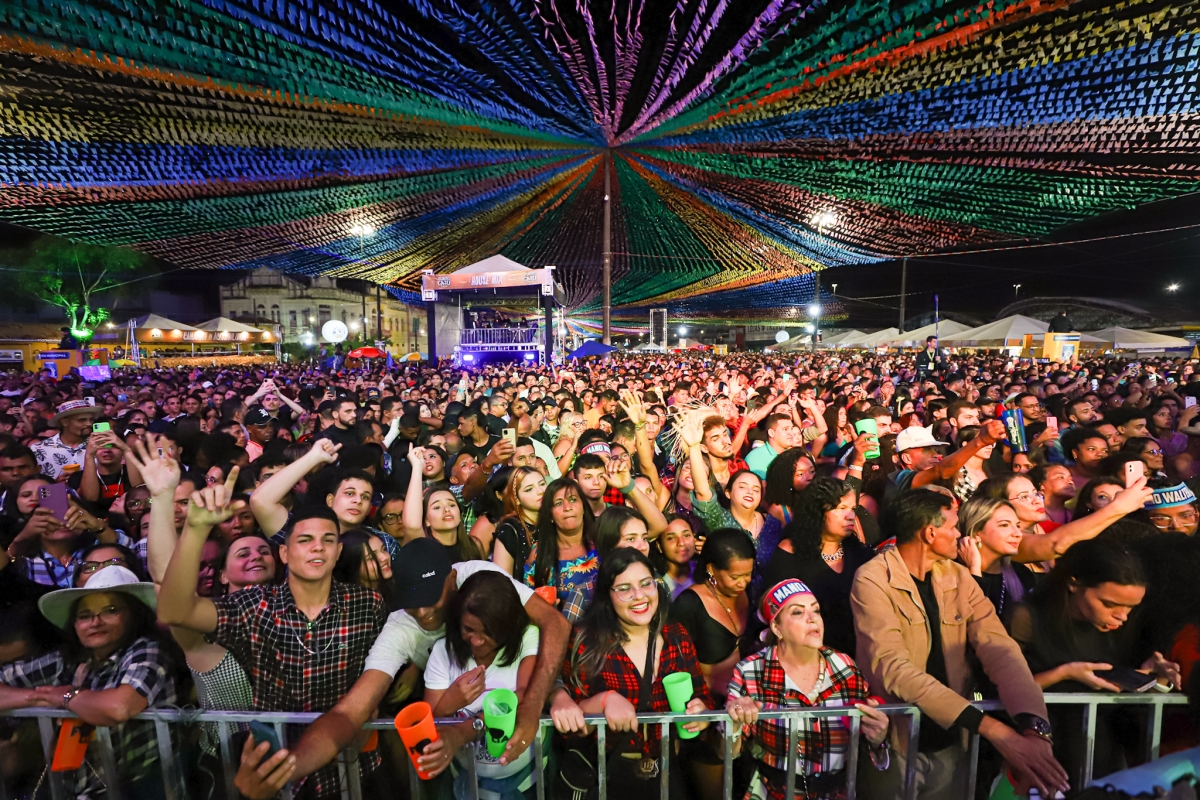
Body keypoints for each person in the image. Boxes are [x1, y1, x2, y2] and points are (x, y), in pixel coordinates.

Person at [234, 539, 570, 798]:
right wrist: (286, 768)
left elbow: (554, 624)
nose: (424, 613)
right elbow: (350, 713)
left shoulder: (481, 580)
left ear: (453, 579)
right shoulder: (400, 629)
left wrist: (532, 705)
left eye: (431, 598)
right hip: (461, 760)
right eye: (413, 603)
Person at [158, 464, 388, 799]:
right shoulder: (255, 605)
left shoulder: (368, 604)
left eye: (328, 540)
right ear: (284, 552)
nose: (318, 547)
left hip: (352, 769)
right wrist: (194, 528)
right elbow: (174, 610)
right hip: (276, 773)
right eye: (305, 540)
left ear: (339, 552)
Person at [851, 489, 1068, 800]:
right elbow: (893, 669)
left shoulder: (958, 577)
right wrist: (997, 732)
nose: (960, 534)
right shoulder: (873, 579)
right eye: (954, 526)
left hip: (953, 742)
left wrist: (1035, 731)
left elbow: (1001, 651)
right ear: (929, 532)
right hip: (896, 740)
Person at [1010, 537, 1180, 783]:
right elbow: (995, 691)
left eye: (1131, 607)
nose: (1121, 616)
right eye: (1109, 604)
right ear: (1073, 584)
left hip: (1104, 759)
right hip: (1041, 762)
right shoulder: (1026, 617)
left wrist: (1151, 676)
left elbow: (1121, 693)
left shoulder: (1124, 626)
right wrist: (1064, 673)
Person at [0, 565, 177, 798]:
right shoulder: (69, 658)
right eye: (84, 616)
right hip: (77, 790)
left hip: (138, 789)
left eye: (110, 610)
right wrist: (38, 696)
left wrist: (66, 696)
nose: (95, 622)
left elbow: (120, 707)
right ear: (74, 625)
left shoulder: (149, 650)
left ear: (135, 614)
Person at [548, 548, 713, 798]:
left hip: (667, 770)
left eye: (646, 584)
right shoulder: (588, 642)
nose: (639, 596)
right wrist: (605, 700)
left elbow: (703, 697)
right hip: (610, 773)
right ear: (607, 595)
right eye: (624, 589)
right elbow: (572, 723)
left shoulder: (677, 636)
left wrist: (701, 713)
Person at [726, 579, 891, 800]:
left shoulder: (845, 667)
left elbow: (868, 739)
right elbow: (728, 752)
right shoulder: (750, 672)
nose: (812, 618)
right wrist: (735, 721)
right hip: (773, 793)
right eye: (797, 612)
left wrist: (878, 738)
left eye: (816, 610)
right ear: (777, 627)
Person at [423, 571, 540, 799]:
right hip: (466, 778)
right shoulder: (442, 652)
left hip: (525, 781)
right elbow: (429, 725)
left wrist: (461, 733)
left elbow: (525, 696)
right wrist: (450, 702)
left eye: (488, 632)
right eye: (469, 629)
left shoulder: (528, 637)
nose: (476, 641)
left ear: (509, 625)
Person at [761, 478, 874, 657]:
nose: (850, 516)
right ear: (818, 511)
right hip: (806, 654)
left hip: (855, 655)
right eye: (841, 508)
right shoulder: (791, 552)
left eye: (852, 509)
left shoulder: (858, 553)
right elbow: (773, 608)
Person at [669, 528, 755, 701]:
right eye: (735, 577)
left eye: (748, 574)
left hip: (749, 703)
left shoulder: (748, 592)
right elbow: (675, 665)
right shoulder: (689, 605)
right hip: (709, 705)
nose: (743, 583)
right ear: (711, 569)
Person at [954, 495, 1036, 628]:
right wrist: (974, 569)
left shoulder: (1021, 573)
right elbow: (972, 624)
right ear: (976, 533)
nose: (1018, 533)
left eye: (1017, 525)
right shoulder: (953, 573)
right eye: (1004, 525)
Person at [525, 478, 598, 623]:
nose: (567, 507)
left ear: (583, 506)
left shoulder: (602, 540)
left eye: (573, 500)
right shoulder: (539, 555)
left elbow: (655, 528)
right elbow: (530, 608)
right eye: (558, 503)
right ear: (550, 515)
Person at [492, 466, 547, 577]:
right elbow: (502, 581)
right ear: (516, 499)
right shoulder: (509, 528)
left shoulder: (555, 518)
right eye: (529, 489)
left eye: (542, 484)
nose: (540, 491)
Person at [32, 398, 99, 480]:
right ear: (65, 422)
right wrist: (55, 486)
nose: (89, 424)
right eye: (82, 420)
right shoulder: (38, 449)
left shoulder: (101, 446)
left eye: (91, 419)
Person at [655, 516, 697, 599]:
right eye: (671, 538)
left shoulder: (706, 572)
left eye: (686, 535)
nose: (681, 543)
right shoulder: (656, 585)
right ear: (659, 546)